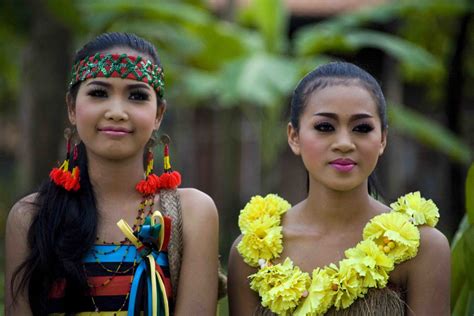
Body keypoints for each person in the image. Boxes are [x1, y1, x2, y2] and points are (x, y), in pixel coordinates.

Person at [5, 32, 219, 315]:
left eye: (137, 96)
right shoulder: (31, 217)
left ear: (158, 115)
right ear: (71, 107)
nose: (117, 111)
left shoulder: (192, 214)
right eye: (99, 93)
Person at [228, 62, 450, 315]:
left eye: (362, 128)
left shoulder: (422, 248)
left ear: (383, 139)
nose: (344, 143)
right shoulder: (252, 254)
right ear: (294, 137)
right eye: (325, 127)